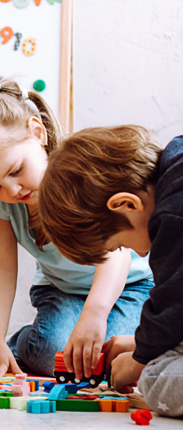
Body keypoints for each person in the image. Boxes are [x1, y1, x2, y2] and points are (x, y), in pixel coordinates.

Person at [0, 79, 153, 379]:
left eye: (15, 171)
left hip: (129, 286)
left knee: (108, 358)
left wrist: (95, 313)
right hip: (61, 290)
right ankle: (23, 344)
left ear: (38, 132)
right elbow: (0, 265)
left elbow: (117, 255)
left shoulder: (79, 177)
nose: (11, 190)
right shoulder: (6, 200)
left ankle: (64, 332)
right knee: (59, 356)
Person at [38, 125, 182, 417]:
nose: (139, 253)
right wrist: (142, 342)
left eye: (117, 245)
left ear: (126, 204)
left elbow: (174, 305)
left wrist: (138, 361)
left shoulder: (172, 216)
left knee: (158, 381)